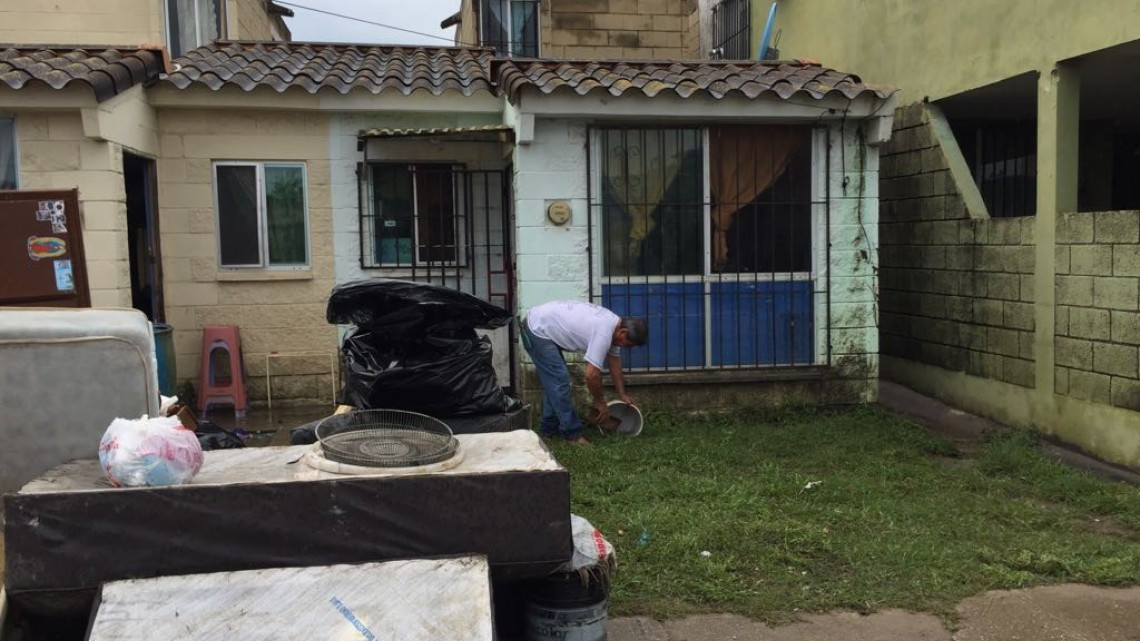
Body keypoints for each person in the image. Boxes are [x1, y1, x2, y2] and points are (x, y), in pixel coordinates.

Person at [520, 300, 648, 444]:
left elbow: (615, 363)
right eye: (628, 344)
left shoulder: (614, 328)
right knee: (559, 380)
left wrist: (622, 393)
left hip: (541, 324)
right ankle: (572, 435)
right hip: (536, 328)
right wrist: (600, 402)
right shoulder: (604, 332)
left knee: (555, 382)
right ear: (623, 332)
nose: (626, 347)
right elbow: (591, 375)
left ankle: (548, 430)